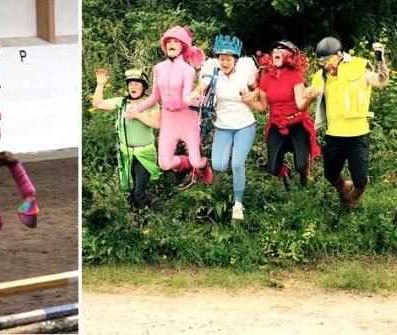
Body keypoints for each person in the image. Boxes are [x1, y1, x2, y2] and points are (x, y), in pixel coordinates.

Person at [303, 36, 390, 209]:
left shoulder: (358, 67)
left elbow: (382, 80)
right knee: (330, 174)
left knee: (359, 179)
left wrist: (381, 59)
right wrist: (308, 93)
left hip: (357, 134)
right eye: (322, 62)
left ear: (339, 54)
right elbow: (311, 93)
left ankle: (354, 199)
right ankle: (343, 192)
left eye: (328, 60)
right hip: (334, 134)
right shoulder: (321, 76)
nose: (326, 65)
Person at [127, 26, 211, 188]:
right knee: (164, 163)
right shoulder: (159, 68)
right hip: (169, 119)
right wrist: (136, 109)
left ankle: (204, 166)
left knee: (197, 159)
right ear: (165, 46)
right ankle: (186, 164)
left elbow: (186, 97)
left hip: (187, 118)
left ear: (183, 46)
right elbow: (154, 97)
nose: (171, 44)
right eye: (168, 42)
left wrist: (194, 100)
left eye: (175, 41)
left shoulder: (188, 70)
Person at [191, 35, 258, 220]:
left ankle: (238, 203)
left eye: (229, 58)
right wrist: (192, 96)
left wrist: (251, 96)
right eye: (222, 58)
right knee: (219, 165)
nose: (225, 62)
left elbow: (259, 90)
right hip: (222, 126)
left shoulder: (245, 73)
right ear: (218, 58)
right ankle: (239, 176)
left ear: (235, 59)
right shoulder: (213, 74)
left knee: (237, 163)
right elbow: (200, 87)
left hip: (244, 124)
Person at [249, 40, 321, 189]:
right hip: (277, 124)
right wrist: (248, 100)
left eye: (281, 50)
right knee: (273, 169)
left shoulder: (295, 75)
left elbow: (301, 105)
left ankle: (303, 175)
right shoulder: (266, 78)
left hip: (297, 124)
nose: (277, 51)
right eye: (274, 49)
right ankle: (285, 173)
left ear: (289, 56)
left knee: (301, 165)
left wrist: (310, 98)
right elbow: (263, 107)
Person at [92, 68, 162, 208]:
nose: (133, 87)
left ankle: (145, 220)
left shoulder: (151, 104)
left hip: (145, 153)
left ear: (143, 86)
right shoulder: (122, 103)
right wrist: (100, 85)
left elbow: (157, 124)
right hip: (126, 153)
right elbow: (97, 104)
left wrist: (137, 115)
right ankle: (147, 205)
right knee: (131, 188)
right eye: (130, 84)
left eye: (136, 84)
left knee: (138, 191)